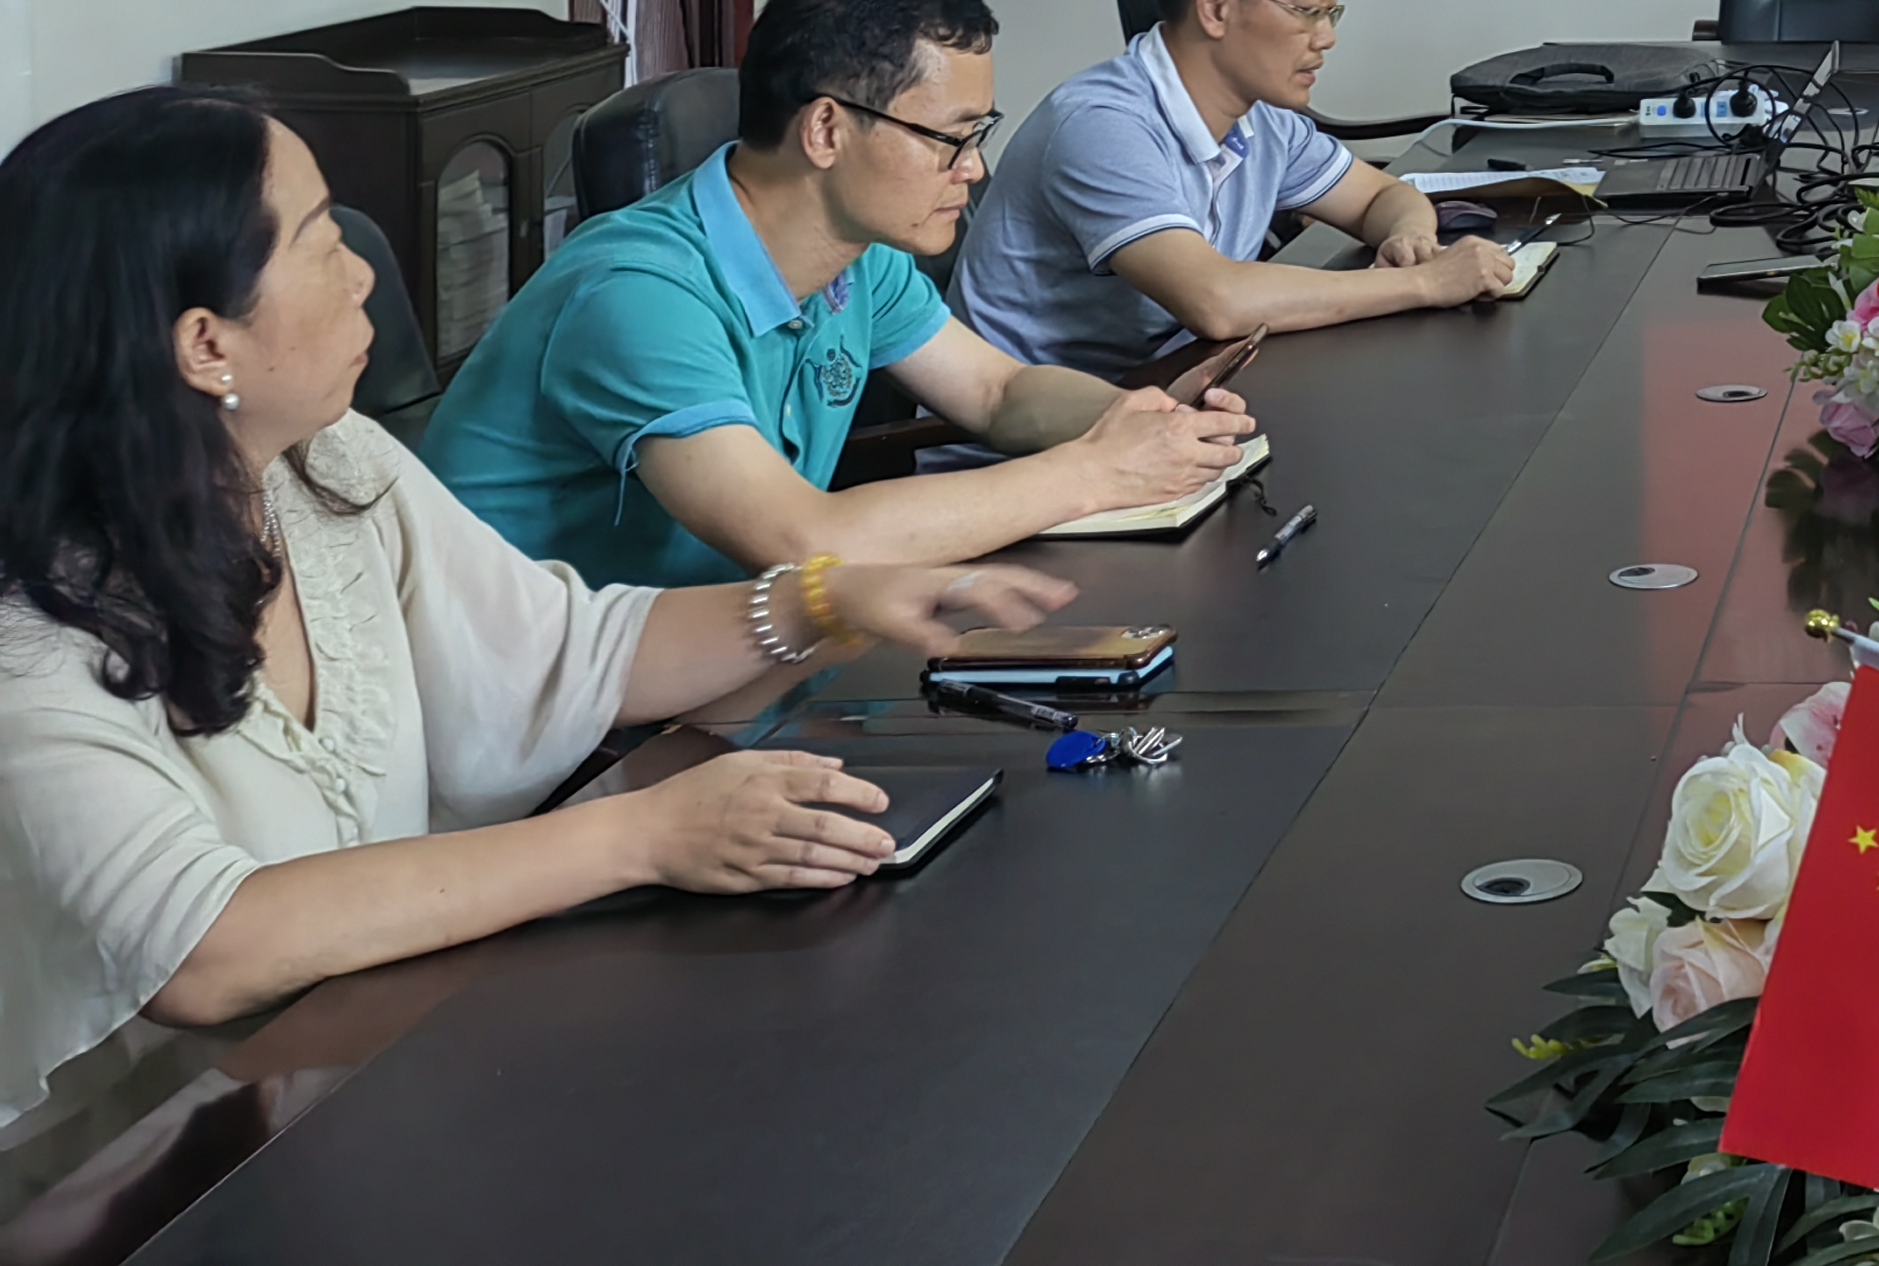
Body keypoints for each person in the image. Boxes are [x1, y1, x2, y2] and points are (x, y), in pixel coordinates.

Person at [0, 89, 1076, 1149]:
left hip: (364, 1067)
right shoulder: (31, 641)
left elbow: (567, 649)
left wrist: (819, 601)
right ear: (205, 345)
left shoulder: (325, 465)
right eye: (323, 242)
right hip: (131, 1166)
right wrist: (644, 836)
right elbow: (206, 950)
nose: (364, 273)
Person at [420, 0, 1254, 587]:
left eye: (979, 136)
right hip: (557, 717)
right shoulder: (638, 296)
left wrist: (1147, 422)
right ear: (825, 130)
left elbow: (999, 393)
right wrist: (1097, 469)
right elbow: (802, 540)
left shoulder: (859, 258)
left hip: (737, 648)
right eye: (950, 139)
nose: (972, 169)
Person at [954, 0, 1509, 380]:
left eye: (1331, 12)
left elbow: (1381, 198)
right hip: (1041, 439)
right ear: (1216, 6)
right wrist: (1423, 282)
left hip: (1173, 395)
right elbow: (1216, 301)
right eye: (1308, 10)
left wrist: (1410, 239)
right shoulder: (1101, 127)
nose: (1326, 37)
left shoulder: (1263, 119)